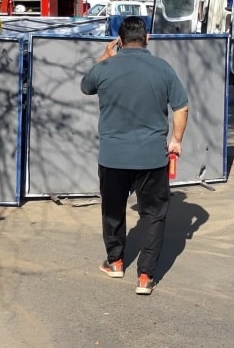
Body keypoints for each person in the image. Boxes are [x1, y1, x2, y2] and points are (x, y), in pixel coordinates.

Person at [80, 16, 189, 296]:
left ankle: (115, 262)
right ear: (147, 38)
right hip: (152, 158)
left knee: (113, 210)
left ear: (119, 39)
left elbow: (86, 86)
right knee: (153, 215)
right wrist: (175, 141)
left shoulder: (106, 67)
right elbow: (182, 107)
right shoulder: (162, 68)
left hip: (113, 157)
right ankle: (145, 277)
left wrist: (104, 57)